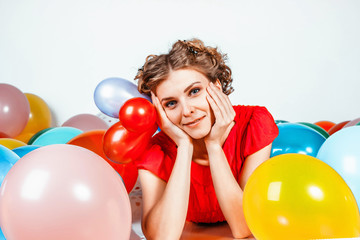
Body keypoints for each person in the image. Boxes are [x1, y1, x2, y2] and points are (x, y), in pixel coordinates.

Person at [134, 38, 279, 240]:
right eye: (171, 103)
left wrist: (213, 145)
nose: (187, 111)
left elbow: (245, 227)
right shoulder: (154, 150)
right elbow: (162, 237)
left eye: (194, 91)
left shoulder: (254, 124)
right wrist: (184, 146)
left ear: (216, 87)